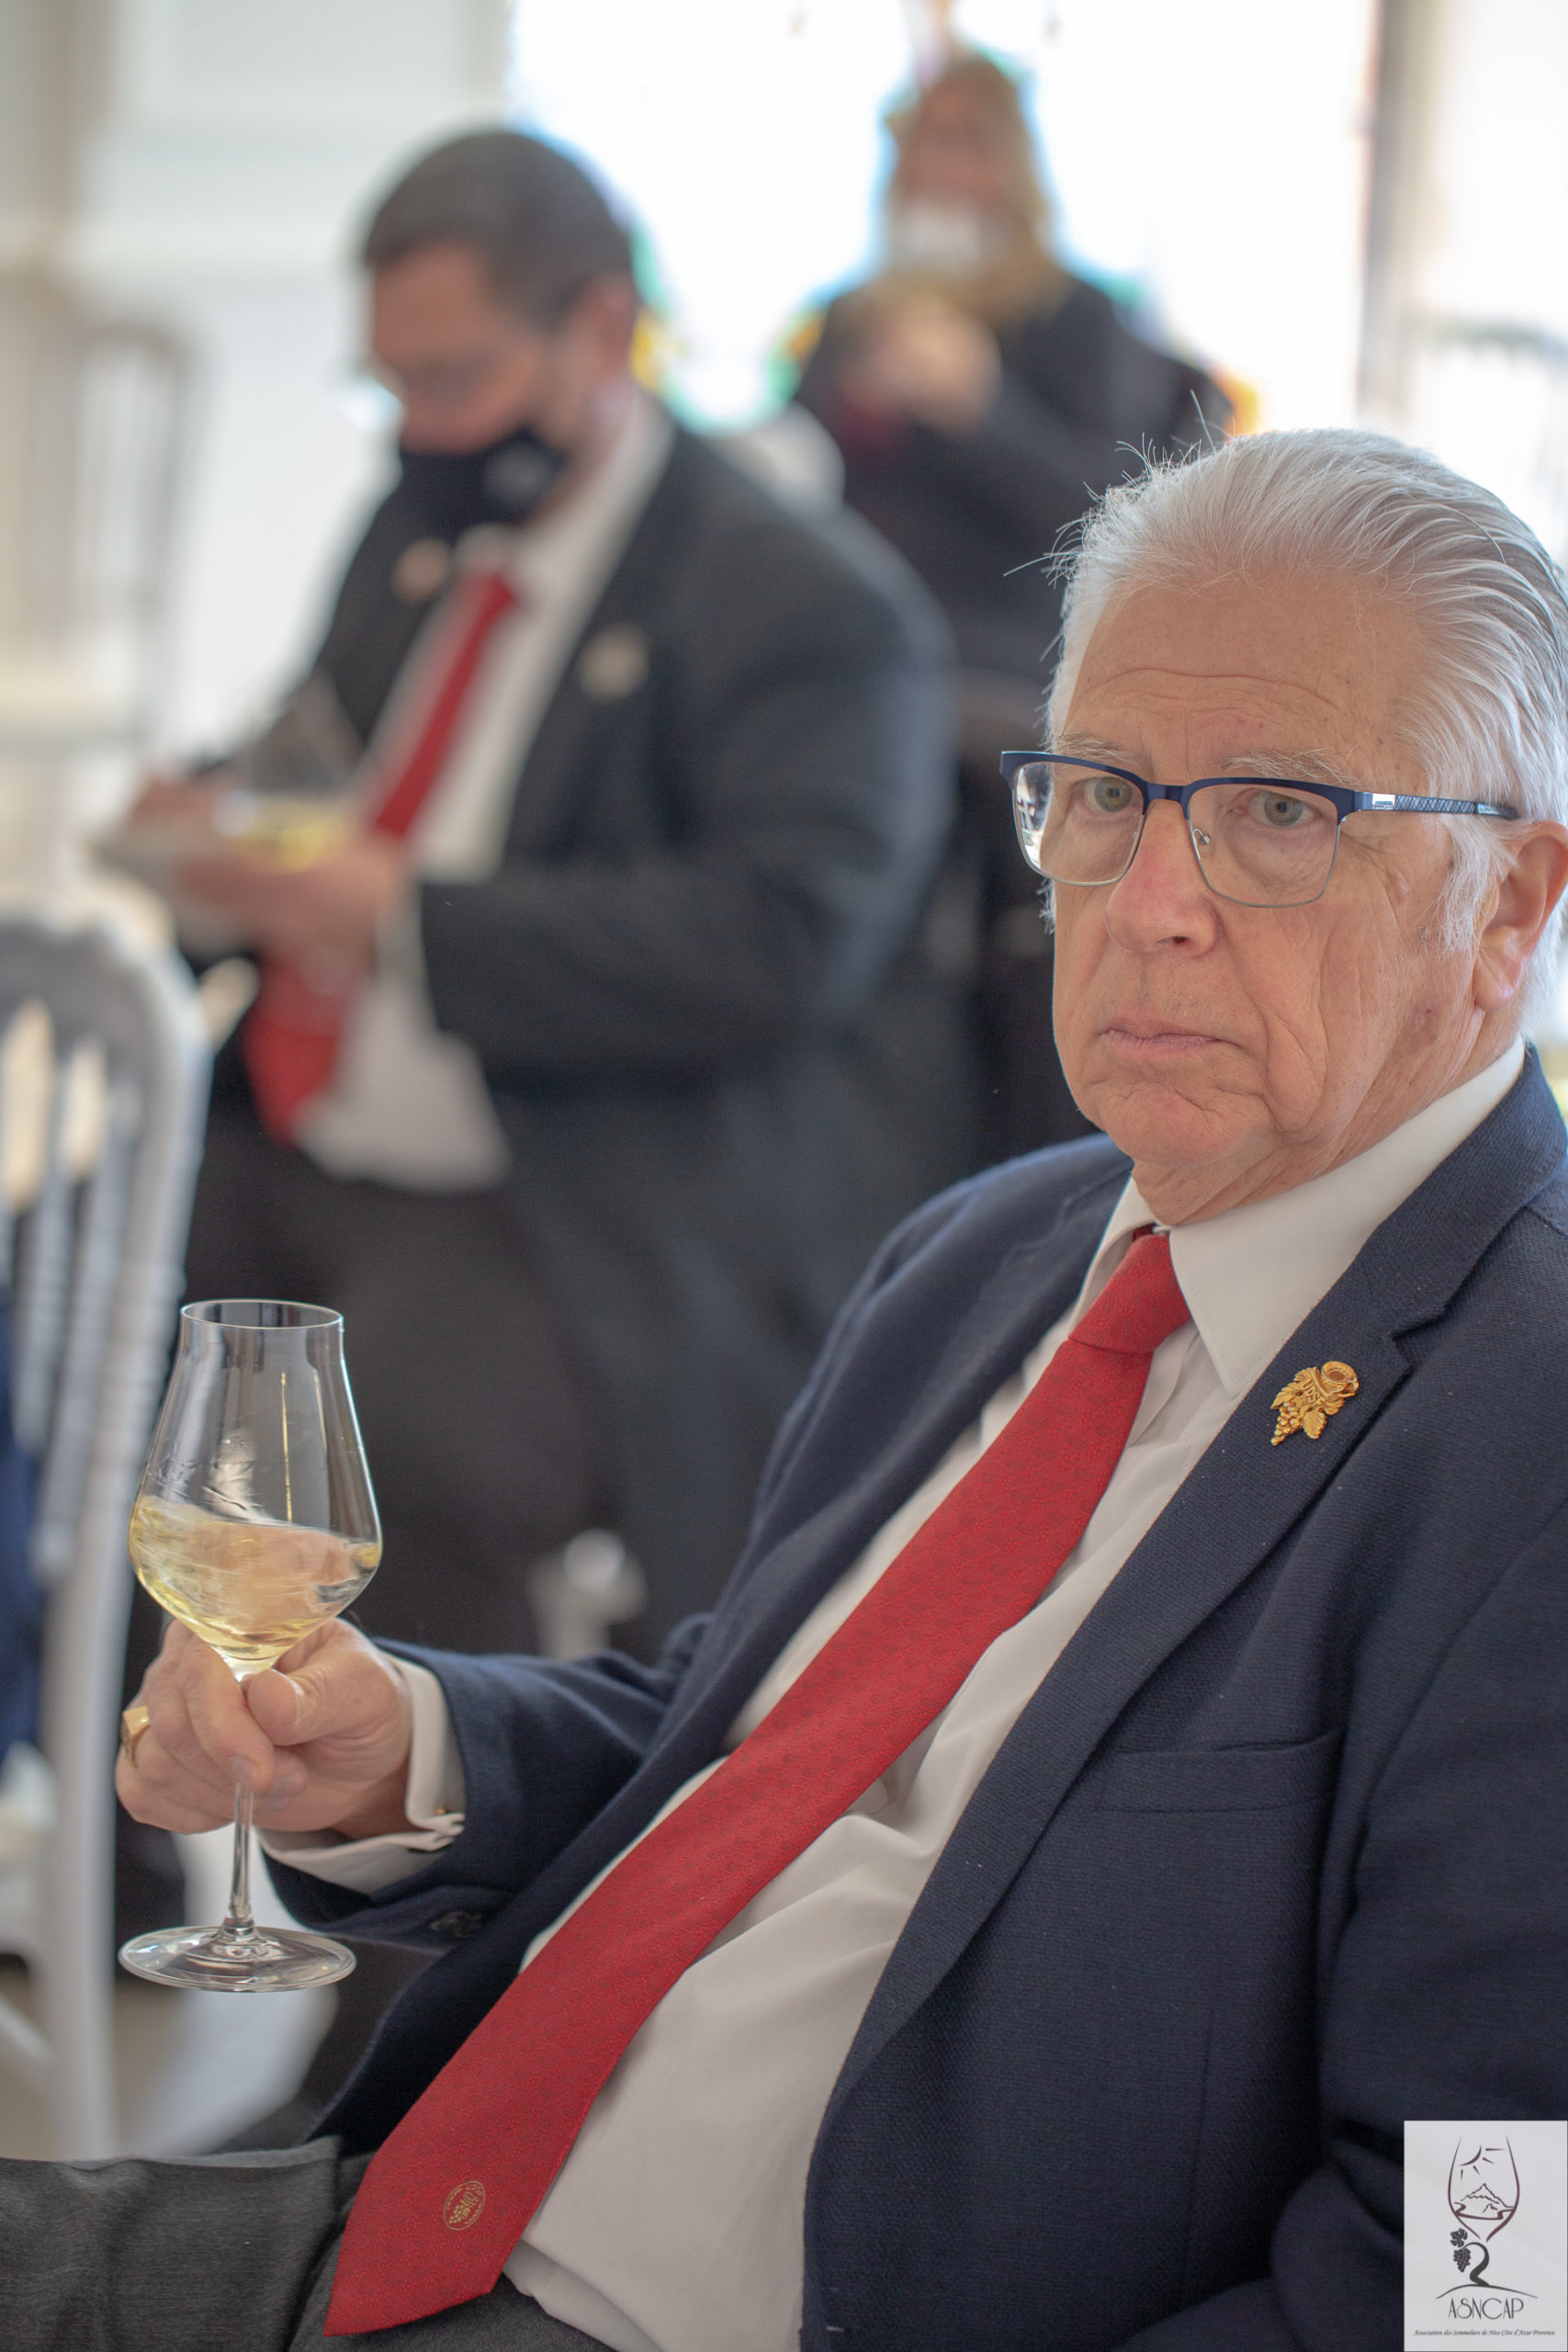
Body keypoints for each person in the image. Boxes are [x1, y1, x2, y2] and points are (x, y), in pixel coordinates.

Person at [20, 425, 1568, 2352]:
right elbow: (746, 1729)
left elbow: (1476, 2289)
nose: (1151, 900)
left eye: (1277, 813)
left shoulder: (1520, 1440)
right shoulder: (991, 1251)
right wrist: (410, 1748)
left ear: (1508, 900)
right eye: (1103, 794)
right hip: (403, 2225)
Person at [141, 128, 964, 1658]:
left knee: (393, 1464)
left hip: (575, 1189)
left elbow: (784, 940)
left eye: (450, 381)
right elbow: (315, 745)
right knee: (65, 1323)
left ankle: (416, 1815)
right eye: (387, 387)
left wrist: (404, 918)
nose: (416, 431)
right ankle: (127, 1792)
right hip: (305, 1129)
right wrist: (209, 832)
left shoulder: (797, 600)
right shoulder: (419, 525)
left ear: (598, 328)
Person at [795, 51, 1233, 1160]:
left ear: (1014, 163)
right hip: (848, 655)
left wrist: (980, 409)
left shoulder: (1078, 321)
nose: (942, 173)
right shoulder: (850, 321)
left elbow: (1112, 516)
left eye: (965, 145)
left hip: (1000, 665)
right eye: (920, 147)